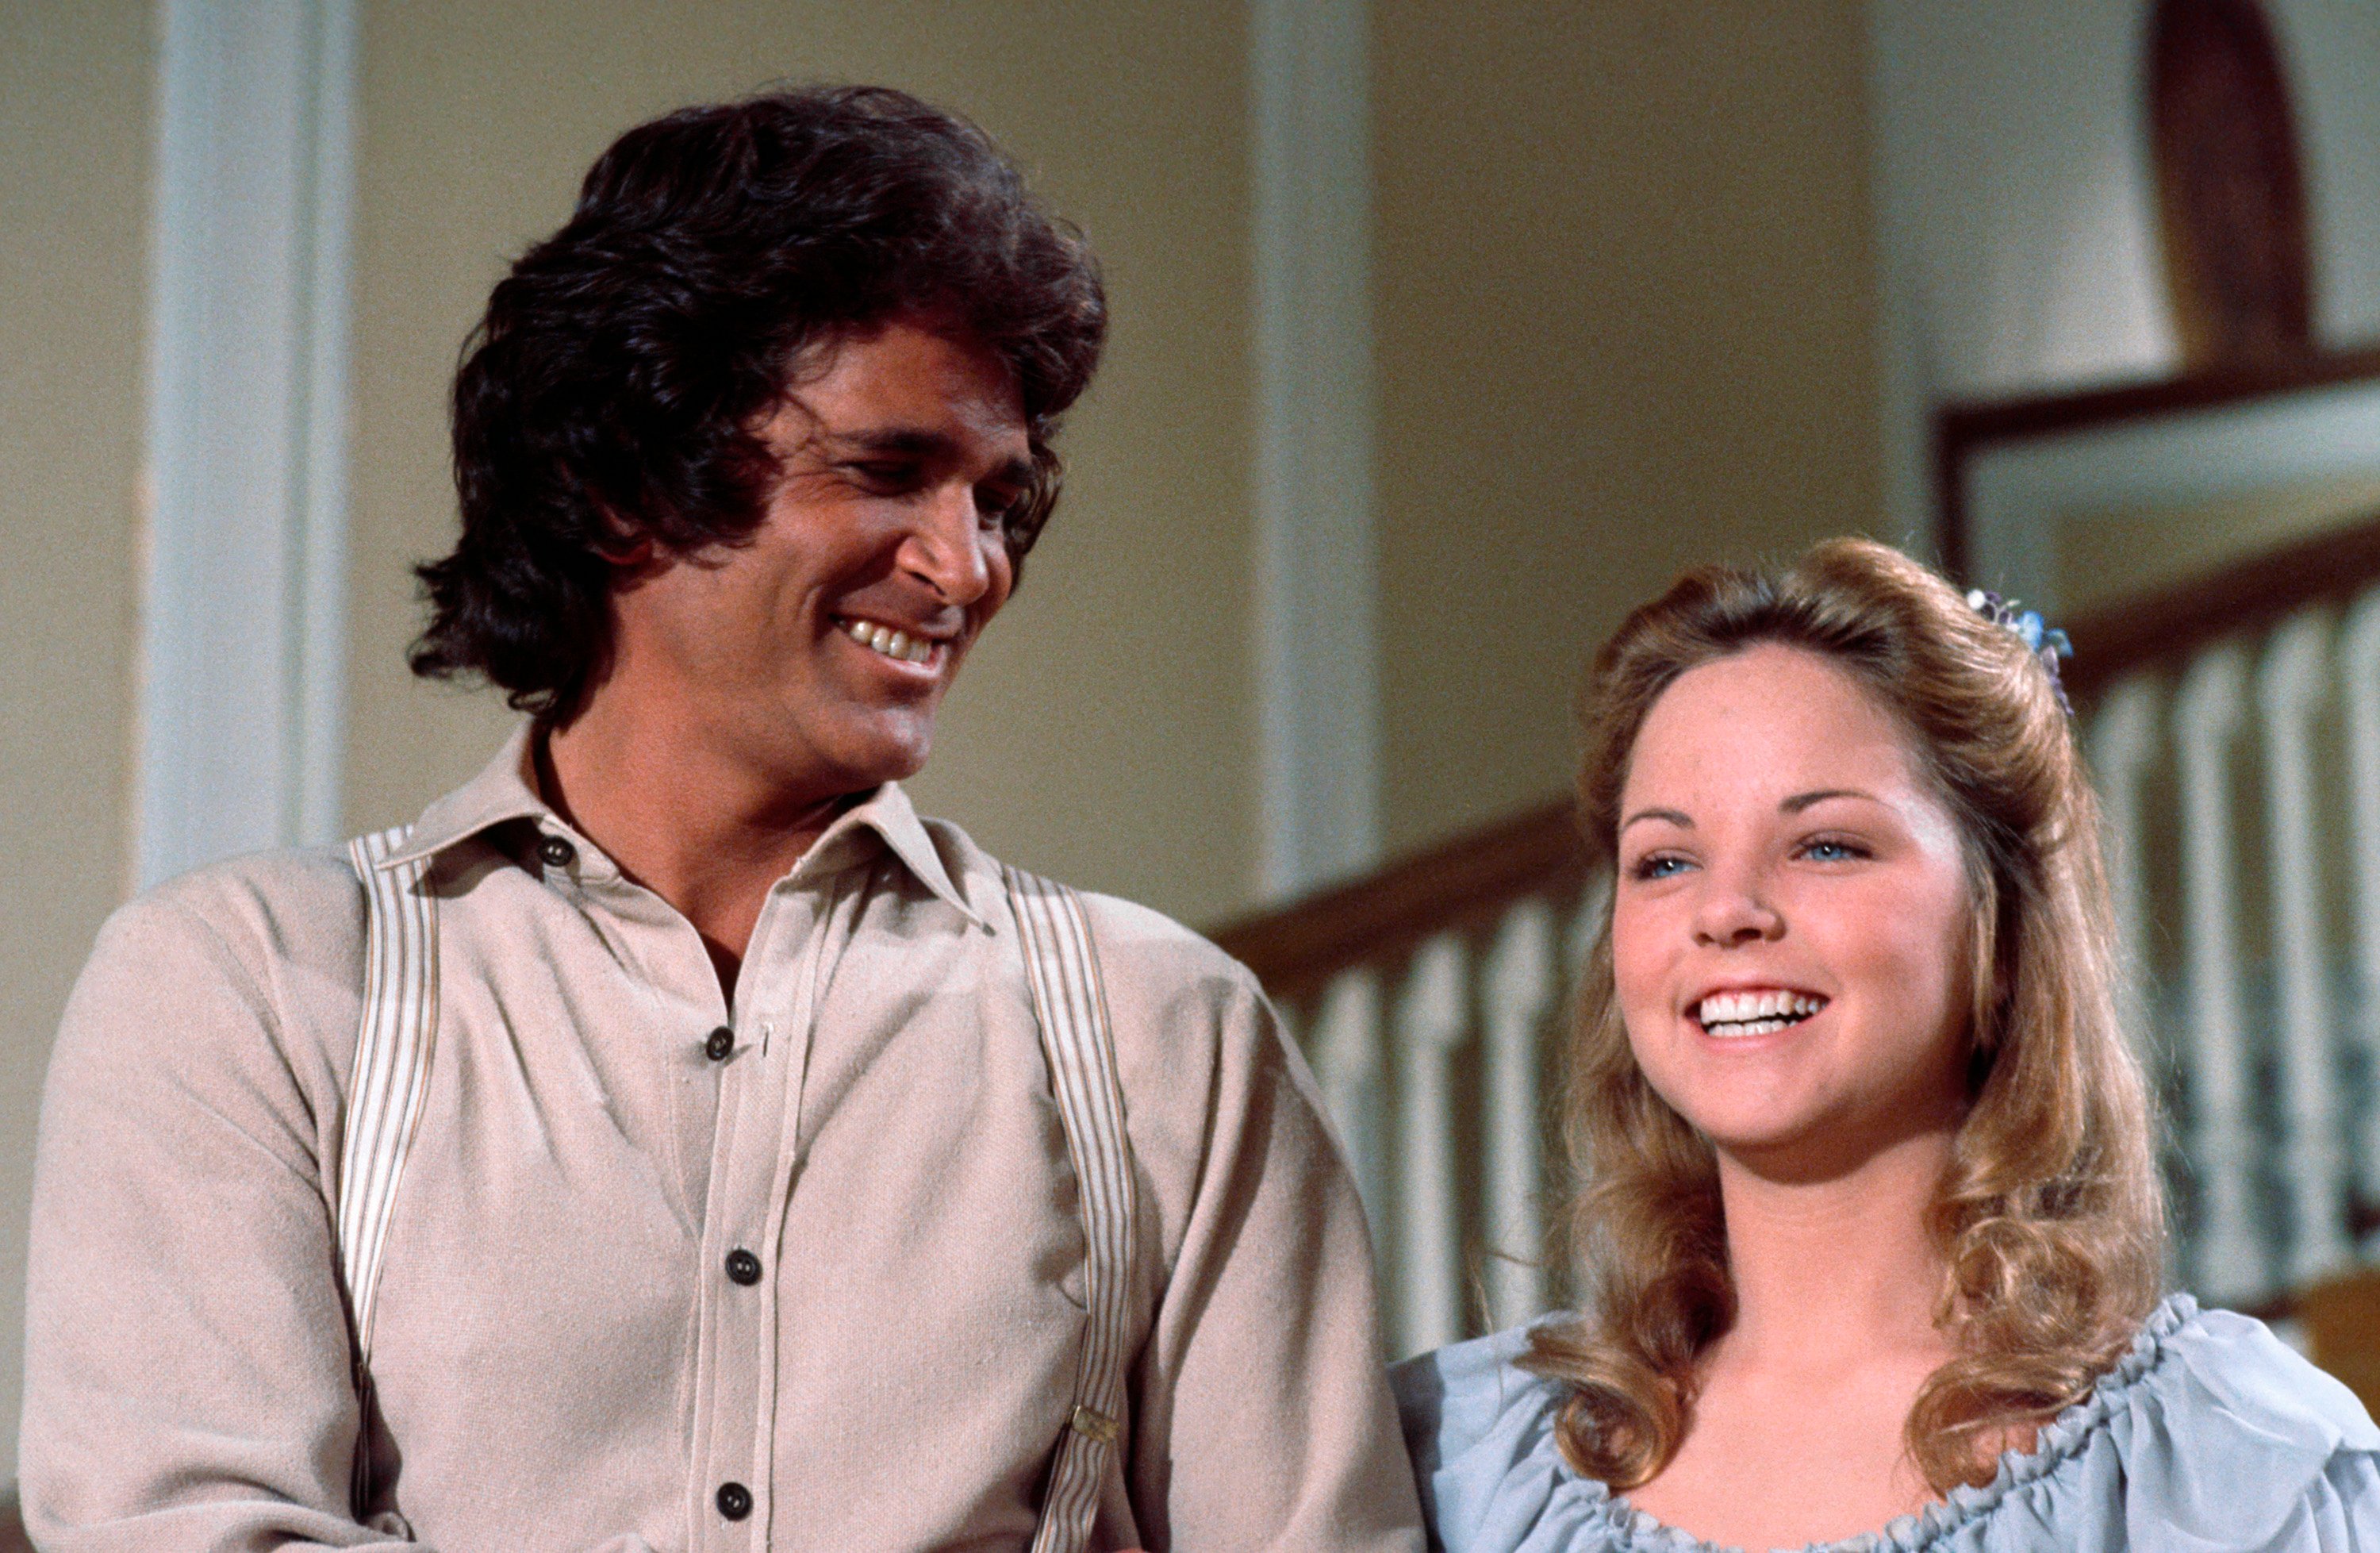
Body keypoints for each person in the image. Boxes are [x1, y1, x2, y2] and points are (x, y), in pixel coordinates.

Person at [21, 86, 1423, 1551]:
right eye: (888, 471)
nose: (969, 565)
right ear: (621, 480)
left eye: (998, 501)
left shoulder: (1169, 1035)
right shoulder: (253, 987)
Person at [1394, 538, 2380, 1551]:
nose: (1724, 909)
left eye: (1826, 845)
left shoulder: (2217, 1472)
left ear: (2002, 928)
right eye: (1666, 859)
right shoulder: (1463, 1467)